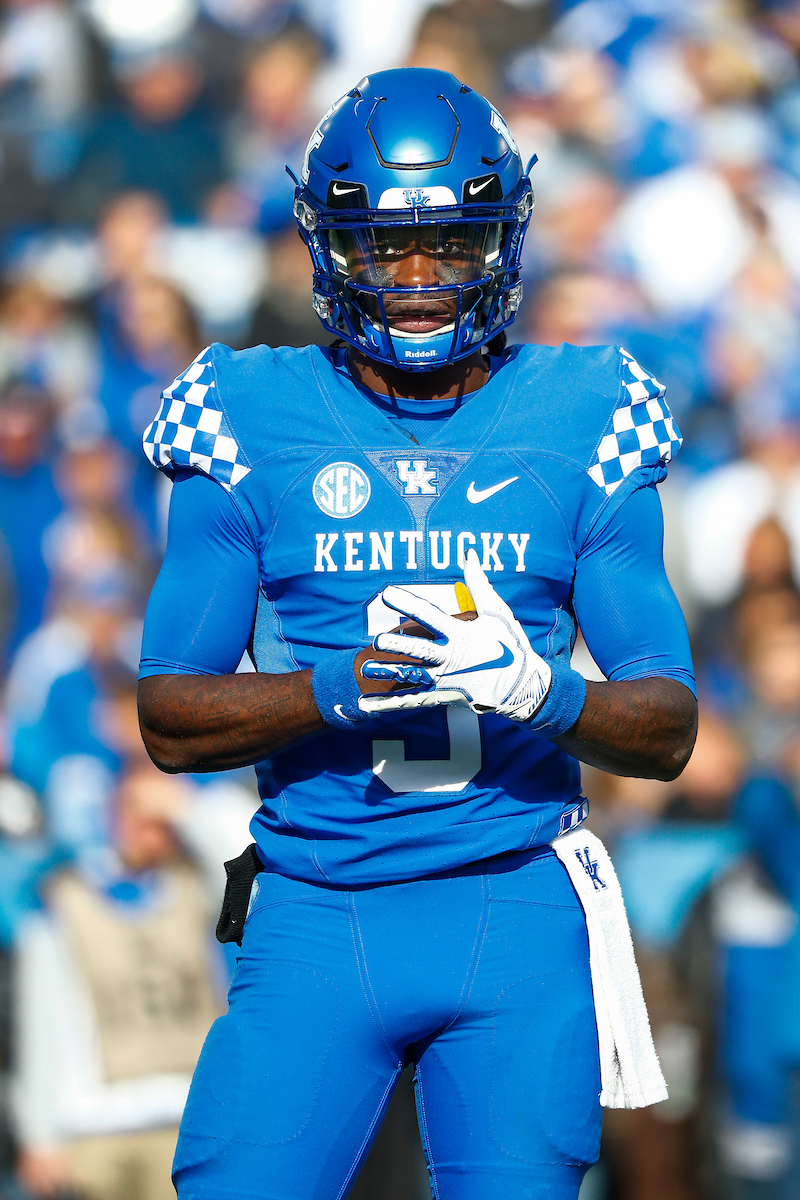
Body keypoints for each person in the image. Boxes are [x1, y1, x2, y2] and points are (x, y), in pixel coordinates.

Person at [137, 68, 698, 1200]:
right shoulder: (245, 409)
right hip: (314, 902)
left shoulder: (586, 405)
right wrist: (337, 689)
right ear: (321, 244)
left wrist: (541, 690)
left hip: (510, 903)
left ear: (503, 235)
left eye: (447, 243)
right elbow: (168, 715)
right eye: (380, 247)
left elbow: (668, 722)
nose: (414, 281)